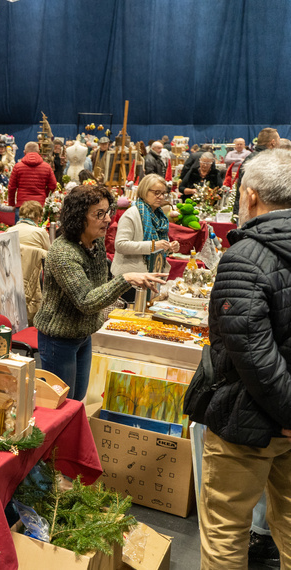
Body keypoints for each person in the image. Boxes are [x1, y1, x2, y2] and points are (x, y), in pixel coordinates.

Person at [199, 149, 291, 569]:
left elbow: (252, 354)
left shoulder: (245, 257)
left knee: (225, 533)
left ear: (251, 196)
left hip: (249, 422)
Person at [33, 184, 166, 401]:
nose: (108, 220)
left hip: (83, 334)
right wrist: (126, 278)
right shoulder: (63, 253)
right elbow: (86, 300)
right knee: (62, 406)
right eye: (99, 214)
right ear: (78, 218)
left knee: (77, 400)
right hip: (59, 340)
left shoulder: (95, 243)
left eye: (108, 212)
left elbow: (98, 285)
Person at [111, 174, 179, 302]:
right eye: (156, 192)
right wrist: (153, 246)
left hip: (150, 276)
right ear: (144, 191)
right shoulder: (132, 214)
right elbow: (120, 245)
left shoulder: (159, 216)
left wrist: (169, 247)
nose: (161, 197)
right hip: (130, 279)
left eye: (163, 193)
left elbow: (159, 244)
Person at [234, 128, 280, 215]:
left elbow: (240, 188)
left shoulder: (250, 158)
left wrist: (236, 212)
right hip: (259, 212)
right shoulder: (267, 160)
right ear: (273, 142)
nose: (279, 144)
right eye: (279, 140)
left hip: (246, 209)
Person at [8, 141, 57, 208]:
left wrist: (11, 204)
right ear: (39, 152)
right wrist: (45, 195)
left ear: (24, 152)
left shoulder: (17, 167)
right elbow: (53, 185)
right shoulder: (47, 167)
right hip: (39, 204)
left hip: (22, 204)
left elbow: (11, 188)